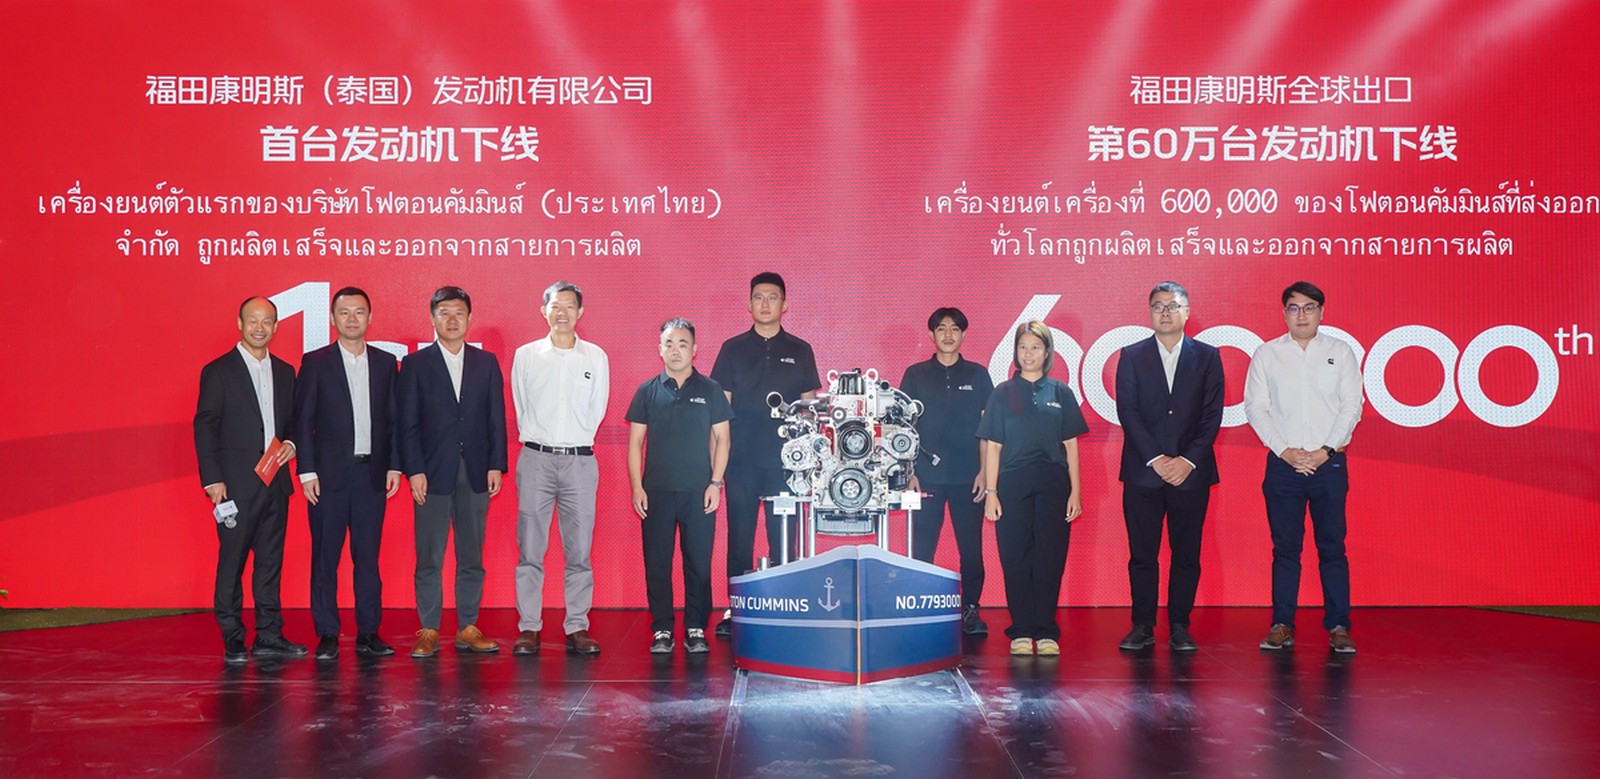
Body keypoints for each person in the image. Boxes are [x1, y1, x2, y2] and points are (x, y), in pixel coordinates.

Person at [1243, 281, 1363, 654]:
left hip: (1329, 465)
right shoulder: (1267, 354)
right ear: (1284, 313)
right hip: (1284, 467)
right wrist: (1285, 451)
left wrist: (1325, 450)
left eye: (1309, 307)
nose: (1302, 315)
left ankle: (1339, 626)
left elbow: (1352, 405)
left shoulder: (1340, 352)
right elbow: (1256, 407)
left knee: (1332, 548)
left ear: (1321, 312)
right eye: (1294, 308)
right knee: (1285, 550)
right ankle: (1282, 625)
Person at [397, 286, 507, 658]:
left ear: (469, 318)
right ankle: (428, 628)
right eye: (444, 312)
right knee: (429, 555)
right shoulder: (415, 364)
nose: (452, 319)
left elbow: (495, 418)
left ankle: (467, 627)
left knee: (471, 555)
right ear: (432, 318)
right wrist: (414, 470)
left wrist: (496, 464)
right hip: (431, 473)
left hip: (476, 471)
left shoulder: (486, 363)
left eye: (459, 312)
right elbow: (407, 423)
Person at [292, 287, 402, 660]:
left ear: (370, 317)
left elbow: (393, 420)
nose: (352, 319)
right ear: (333, 318)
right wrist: (306, 472)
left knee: (367, 558)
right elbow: (303, 421)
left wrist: (394, 465)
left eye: (359, 312)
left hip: (372, 476)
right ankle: (327, 632)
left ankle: (369, 632)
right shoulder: (316, 362)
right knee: (326, 557)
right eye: (344, 312)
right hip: (327, 479)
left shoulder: (386, 363)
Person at [1114, 282, 1225, 653]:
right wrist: (1157, 459)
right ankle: (1142, 625)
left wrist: (1187, 460)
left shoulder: (1208, 356)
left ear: (1186, 312)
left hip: (1191, 474)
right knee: (1142, 555)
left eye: (1173, 305)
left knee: (1186, 554)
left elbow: (1211, 415)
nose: (1165, 312)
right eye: (1158, 306)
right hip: (1143, 472)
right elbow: (1128, 411)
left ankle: (1180, 625)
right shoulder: (1131, 355)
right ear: (1149, 312)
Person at [193, 296, 304, 664]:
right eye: (253, 320)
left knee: (270, 562)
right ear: (239, 324)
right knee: (233, 562)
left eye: (267, 321)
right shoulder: (218, 371)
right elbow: (205, 426)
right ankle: (233, 636)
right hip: (235, 486)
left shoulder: (286, 372)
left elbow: (294, 423)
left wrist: (291, 444)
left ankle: (269, 634)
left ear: (276, 327)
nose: (260, 327)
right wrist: (213, 479)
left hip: (276, 482)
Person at [709, 272, 820, 636]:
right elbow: (719, 412)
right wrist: (714, 467)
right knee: (739, 539)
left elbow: (809, 409)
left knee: (783, 538)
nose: (765, 303)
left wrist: (809, 461)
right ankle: (736, 610)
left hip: (786, 466)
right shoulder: (732, 349)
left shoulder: (800, 350)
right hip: (740, 461)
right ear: (749, 304)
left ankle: (785, 606)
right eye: (759, 297)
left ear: (784, 305)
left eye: (773, 297)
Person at [509, 281, 610, 656]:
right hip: (536, 459)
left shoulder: (595, 357)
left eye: (569, 306)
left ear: (580, 312)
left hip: (580, 462)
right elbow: (521, 406)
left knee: (579, 551)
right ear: (544, 311)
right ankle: (529, 627)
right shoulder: (526, 355)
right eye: (555, 305)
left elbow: (597, 410)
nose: (562, 312)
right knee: (530, 549)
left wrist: (572, 441)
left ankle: (577, 626)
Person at [977, 320, 1088, 657]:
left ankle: (1046, 630)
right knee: (1015, 557)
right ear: (1015, 351)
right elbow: (993, 446)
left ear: (1047, 352)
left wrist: (1076, 491)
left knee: (1050, 557)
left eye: (1036, 347)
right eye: (1023, 347)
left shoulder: (1061, 392)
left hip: (1053, 482)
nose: (1028, 354)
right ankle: (1022, 630)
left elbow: (1070, 445)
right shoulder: (1002, 393)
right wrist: (992, 493)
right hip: (1012, 482)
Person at [625, 318, 733, 654]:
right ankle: (662, 629)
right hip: (655, 492)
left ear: (694, 350)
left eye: (682, 343)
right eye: (669, 344)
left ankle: (695, 627)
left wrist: (715, 483)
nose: (675, 350)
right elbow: (635, 443)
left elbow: (723, 439)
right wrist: (636, 487)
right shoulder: (647, 391)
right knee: (657, 562)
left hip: (699, 492)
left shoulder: (711, 389)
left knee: (698, 563)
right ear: (660, 349)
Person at [899, 307, 994, 636]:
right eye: (941, 328)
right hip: (925, 477)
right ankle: (919, 607)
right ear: (932, 335)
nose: (948, 334)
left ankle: (971, 609)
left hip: (969, 477)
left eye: (955, 329)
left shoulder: (978, 375)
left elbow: (988, 428)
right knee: (922, 548)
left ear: (963, 334)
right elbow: (903, 428)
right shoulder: (915, 375)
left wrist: (985, 472)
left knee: (971, 549)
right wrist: (908, 471)